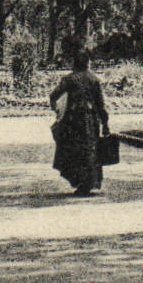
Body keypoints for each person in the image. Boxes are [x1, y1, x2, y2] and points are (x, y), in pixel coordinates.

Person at [48, 41, 110, 196]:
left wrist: (56, 109)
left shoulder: (70, 79)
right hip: (90, 120)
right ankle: (88, 182)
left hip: (73, 120)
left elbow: (53, 95)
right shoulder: (94, 79)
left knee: (74, 150)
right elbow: (101, 105)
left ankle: (79, 181)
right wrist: (105, 123)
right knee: (89, 150)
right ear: (88, 62)